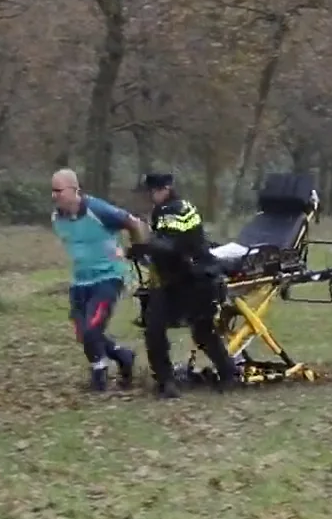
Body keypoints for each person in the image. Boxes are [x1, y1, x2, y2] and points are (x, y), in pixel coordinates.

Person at [129, 171, 238, 399]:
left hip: (190, 280)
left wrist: (144, 247)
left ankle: (175, 380)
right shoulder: (168, 208)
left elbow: (171, 246)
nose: (151, 196)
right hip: (182, 279)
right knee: (195, 330)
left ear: (165, 189)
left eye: (153, 191)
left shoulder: (176, 209)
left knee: (161, 329)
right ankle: (221, 375)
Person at [50, 168, 147, 392]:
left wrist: (137, 249)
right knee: (83, 333)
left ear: (75, 190)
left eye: (59, 191)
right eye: (52, 191)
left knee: (93, 328)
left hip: (109, 277)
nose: (54, 196)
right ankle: (123, 356)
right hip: (80, 281)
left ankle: (99, 372)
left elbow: (133, 222)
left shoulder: (98, 209)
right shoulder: (57, 217)